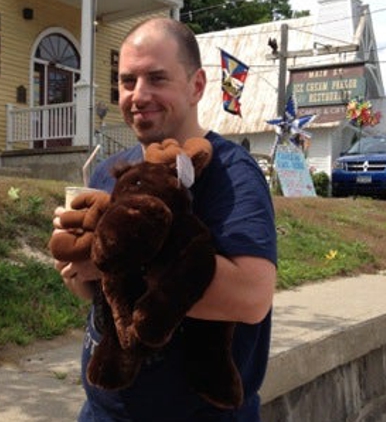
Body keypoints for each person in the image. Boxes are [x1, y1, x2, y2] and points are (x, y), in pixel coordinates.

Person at [51, 17, 277, 422]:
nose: (138, 95)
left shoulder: (231, 172)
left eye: (156, 78)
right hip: (104, 411)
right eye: (126, 81)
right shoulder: (110, 172)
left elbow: (251, 297)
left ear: (196, 86)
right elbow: (97, 295)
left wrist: (115, 258)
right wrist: (77, 263)